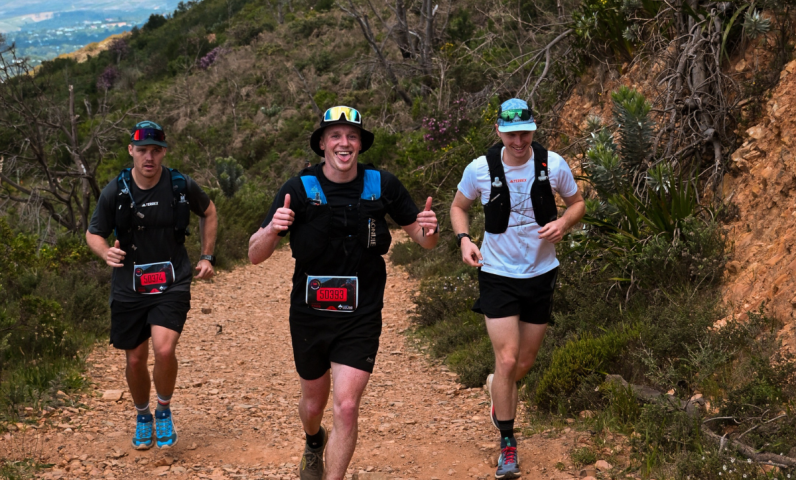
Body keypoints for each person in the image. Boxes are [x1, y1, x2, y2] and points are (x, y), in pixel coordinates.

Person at [248, 106, 439, 480]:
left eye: (352, 136)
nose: (344, 142)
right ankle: (313, 440)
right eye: (335, 135)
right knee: (313, 405)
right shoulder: (298, 189)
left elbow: (423, 239)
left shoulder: (382, 184)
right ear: (322, 143)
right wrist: (271, 229)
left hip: (361, 313)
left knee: (347, 407)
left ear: (361, 144)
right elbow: (254, 255)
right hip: (310, 314)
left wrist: (430, 231)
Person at [450, 99, 585, 479]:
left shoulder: (552, 165)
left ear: (533, 129)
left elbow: (577, 203)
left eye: (525, 133)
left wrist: (564, 223)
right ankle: (507, 445)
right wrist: (464, 239)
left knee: (522, 364)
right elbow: (458, 207)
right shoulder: (480, 169)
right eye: (511, 134)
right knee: (508, 359)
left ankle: (497, 387)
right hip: (497, 274)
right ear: (498, 131)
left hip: (541, 273)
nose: (519, 141)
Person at [86, 121, 218, 450]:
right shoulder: (115, 191)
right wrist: (105, 252)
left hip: (172, 279)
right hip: (129, 285)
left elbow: (209, 211)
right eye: (143, 150)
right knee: (135, 359)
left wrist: (207, 256)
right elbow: (93, 233)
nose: (149, 157)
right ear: (131, 150)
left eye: (156, 150)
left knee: (164, 349)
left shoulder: (179, 185)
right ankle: (143, 414)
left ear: (163, 153)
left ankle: (163, 409)